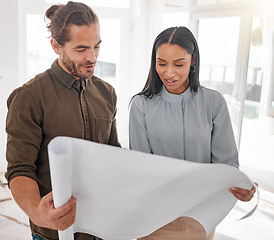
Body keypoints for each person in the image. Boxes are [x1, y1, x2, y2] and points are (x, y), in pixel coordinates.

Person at [5, 2, 120, 240]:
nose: (92, 57)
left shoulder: (107, 93)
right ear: (56, 46)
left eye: (96, 46)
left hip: (101, 230)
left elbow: (113, 154)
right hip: (52, 235)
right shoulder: (29, 97)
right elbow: (19, 169)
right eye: (80, 49)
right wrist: (38, 214)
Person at [129, 26, 256, 240]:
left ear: (193, 60)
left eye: (179, 64)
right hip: (154, 218)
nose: (169, 73)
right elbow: (142, 169)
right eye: (161, 63)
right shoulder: (140, 105)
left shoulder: (214, 103)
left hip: (200, 217)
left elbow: (227, 166)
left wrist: (241, 185)